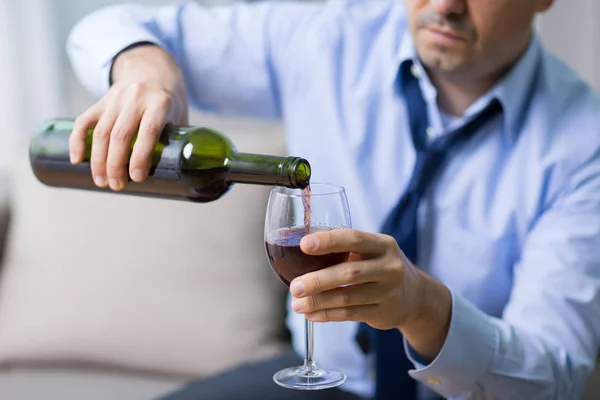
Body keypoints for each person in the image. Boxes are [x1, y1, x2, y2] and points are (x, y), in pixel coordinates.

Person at [65, 0, 600, 399]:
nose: (444, 6)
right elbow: (105, 26)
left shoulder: (584, 142)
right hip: (320, 381)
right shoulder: (326, 37)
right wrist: (144, 66)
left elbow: (555, 378)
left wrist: (425, 308)